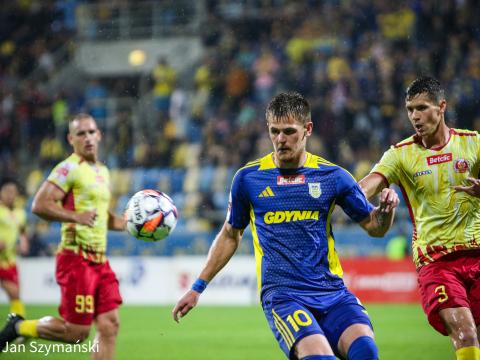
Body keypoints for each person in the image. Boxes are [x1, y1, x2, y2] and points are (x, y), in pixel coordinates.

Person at [173, 92, 399, 359]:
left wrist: (385, 211)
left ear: (308, 130)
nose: (281, 140)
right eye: (274, 131)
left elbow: (375, 227)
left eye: (289, 131)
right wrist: (198, 287)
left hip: (332, 290)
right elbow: (230, 234)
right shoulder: (249, 179)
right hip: (283, 295)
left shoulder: (333, 176)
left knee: (366, 352)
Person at [359, 76, 480, 360]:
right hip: (436, 262)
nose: (415, 116)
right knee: (465, 332)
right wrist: (350, 197)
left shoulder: (473, 144)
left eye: (422, 108)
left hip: (476, 255)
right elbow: (364, 188)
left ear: (441, 107)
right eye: (410, 109)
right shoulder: (400, 155)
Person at [0, 114, 126, 360]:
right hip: (75, 258)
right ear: (71, 139)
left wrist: (128, 224)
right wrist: (75, 217)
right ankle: (19, 327)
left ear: (99, 135)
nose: (87, 138)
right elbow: (39, 205)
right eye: (81, 133)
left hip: (99, 260)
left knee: (110, 324)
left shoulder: (103, 171)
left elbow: (101, 215)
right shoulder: (69, 168)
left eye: (91, 132)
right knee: (76, 333)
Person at [0, 178, 29, 318]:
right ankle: (18, 326)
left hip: (9, 259)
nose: (11, 195)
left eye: (14, 192)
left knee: (15, 295)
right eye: (7, 191)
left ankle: (17, 325)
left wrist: (23, 243)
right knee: (14, 293)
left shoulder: (20, 213)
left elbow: (23, 231)